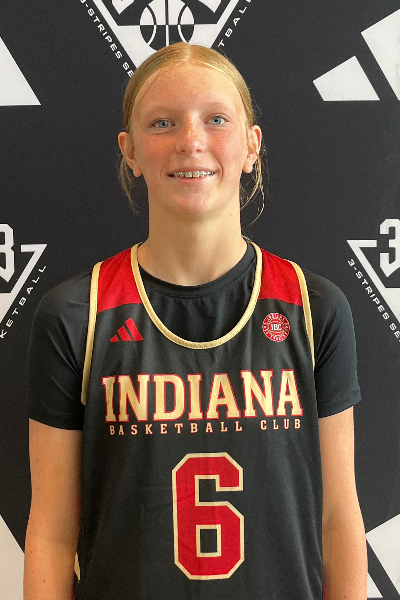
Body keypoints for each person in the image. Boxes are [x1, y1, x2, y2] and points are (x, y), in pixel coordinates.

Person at [24, 42, 367, 599]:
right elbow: (52, 533)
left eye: (216, 119)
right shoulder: (76, 315)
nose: (190, 140)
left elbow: (338, 520)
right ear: (130, 151)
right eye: (162, 123)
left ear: (252, 145)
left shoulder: (313, 309)